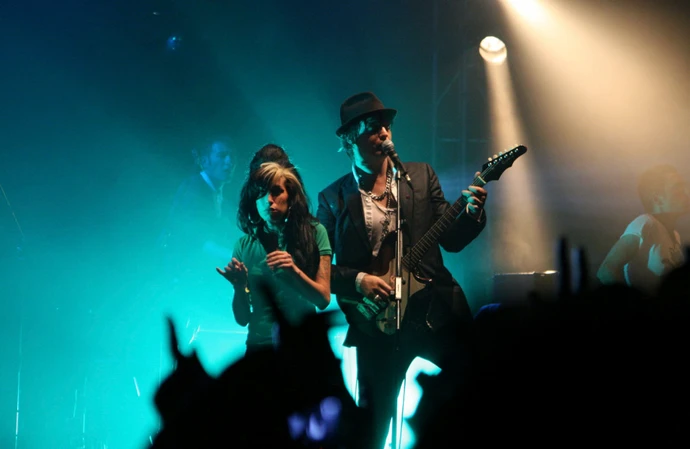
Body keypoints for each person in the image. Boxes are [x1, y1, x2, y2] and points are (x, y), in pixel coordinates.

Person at [316, 91, 488, 449]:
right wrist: (359, 281)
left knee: (475, 389)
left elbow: (451, 239)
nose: (384, 133)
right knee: (372, 423)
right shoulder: (332, 198)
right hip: (376, 324)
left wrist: (471, 213)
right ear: (350, 138)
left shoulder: (420, 177)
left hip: (433, 312)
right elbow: (317, 267)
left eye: (387, 125)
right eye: (373, 127)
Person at [217, 160, 332, 354]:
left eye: (276, 191)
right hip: (260, 349)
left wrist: (294, 271)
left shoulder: (315, 233)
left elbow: (323, 299)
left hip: (304, 347)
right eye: (261, 194)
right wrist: (238, 287)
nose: (268, 200)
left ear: (290, 196)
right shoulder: (244, 245)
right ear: (253, 201)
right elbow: (242, 319)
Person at [597, 164, 690, 294]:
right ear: (657, 199)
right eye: (677, 189)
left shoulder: (675, 235)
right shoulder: (645, 223)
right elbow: (606, 271)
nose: (687, 193)